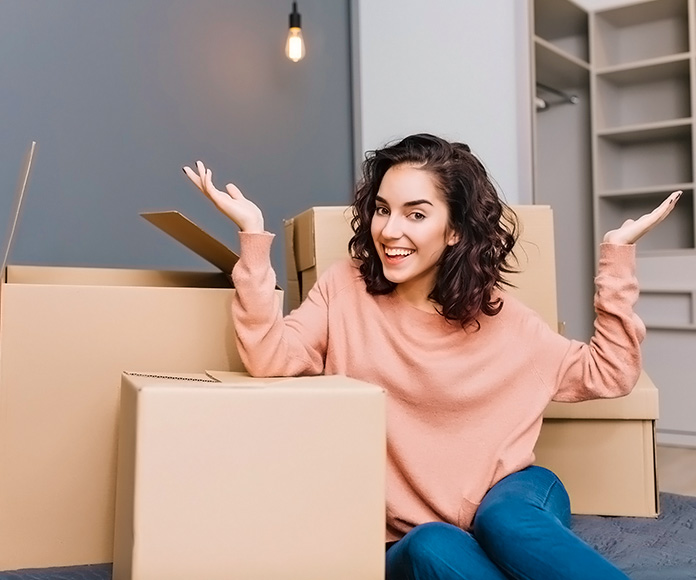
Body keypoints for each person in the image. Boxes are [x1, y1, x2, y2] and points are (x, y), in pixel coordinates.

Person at [183, 133, 679, 580]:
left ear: (455, 230)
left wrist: (616, 258)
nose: (390, 230)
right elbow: (269, 356)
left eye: (416, 214)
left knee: (502, 519)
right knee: (429, 545)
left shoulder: (504, 321)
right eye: (382, 209)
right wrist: (252, 238)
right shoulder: (344, 287)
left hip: (512, 493)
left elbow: (610, 374)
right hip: (405, 530)